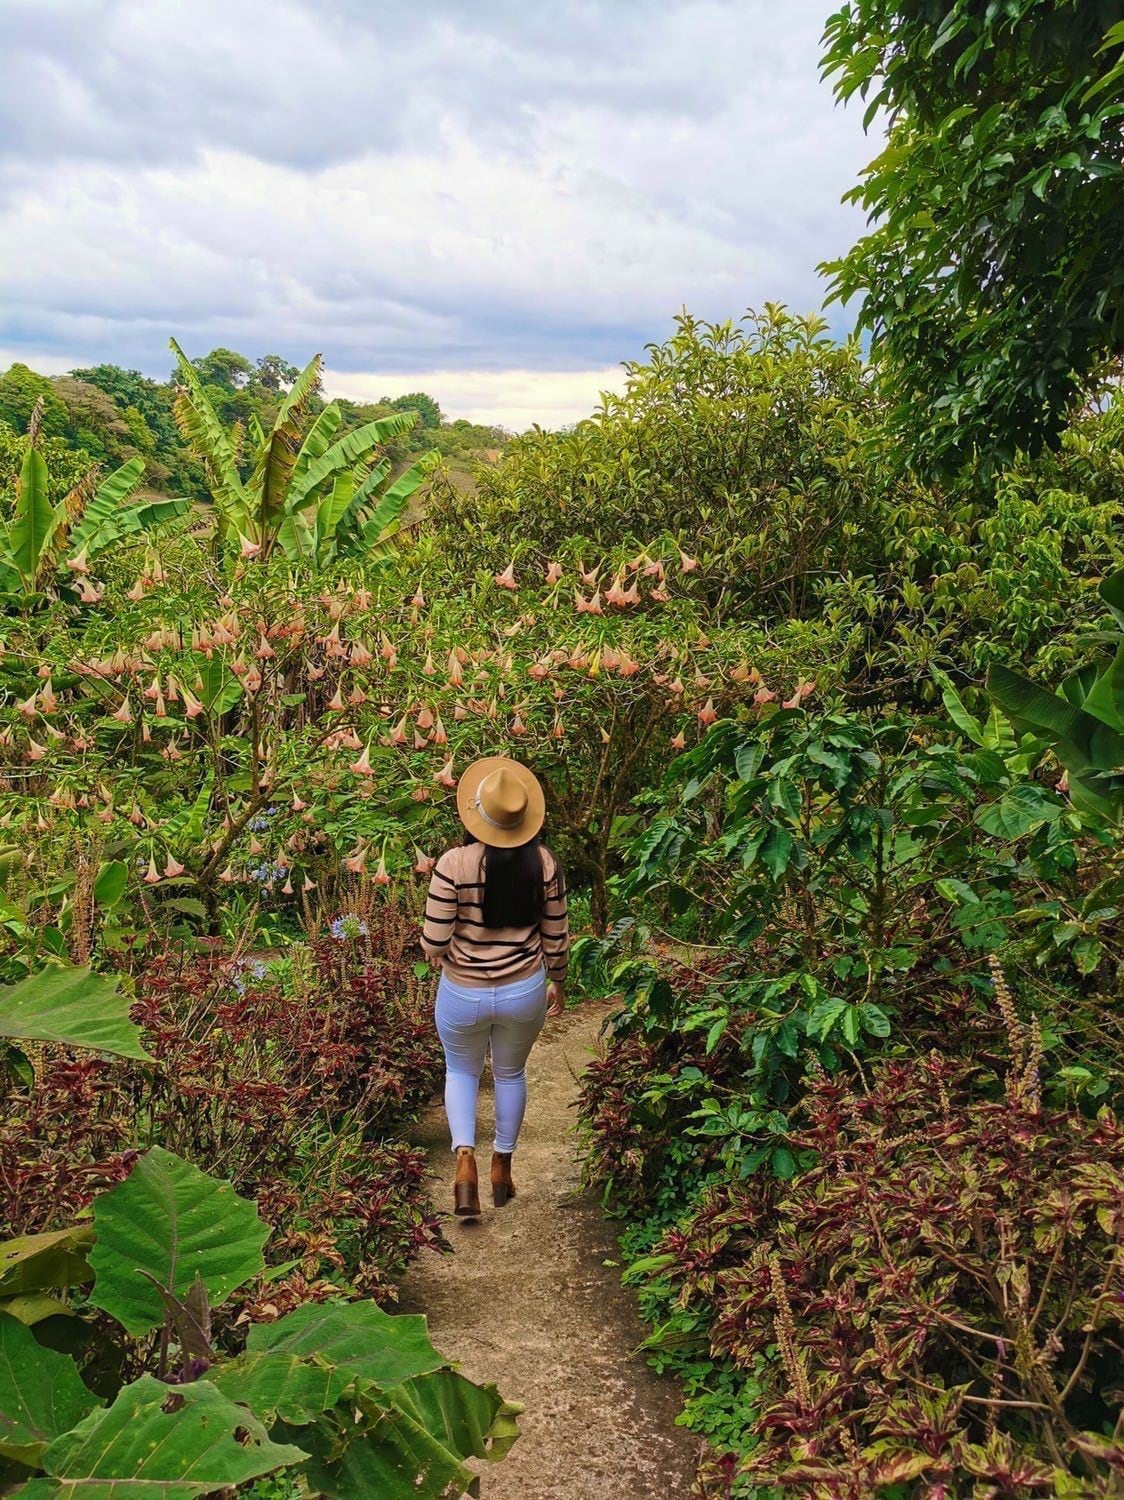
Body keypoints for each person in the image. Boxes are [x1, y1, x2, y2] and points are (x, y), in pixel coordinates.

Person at [421, 756, 569, 1218]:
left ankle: (464, 1166)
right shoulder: (545, 864)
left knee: (461, 1072)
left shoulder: (453, 863)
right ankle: (501, 1169)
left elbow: (433, 940)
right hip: (523, 990)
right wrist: (558, 982)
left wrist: (446, 958)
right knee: (509, 1075)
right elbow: (556, 937)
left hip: (461, 992)